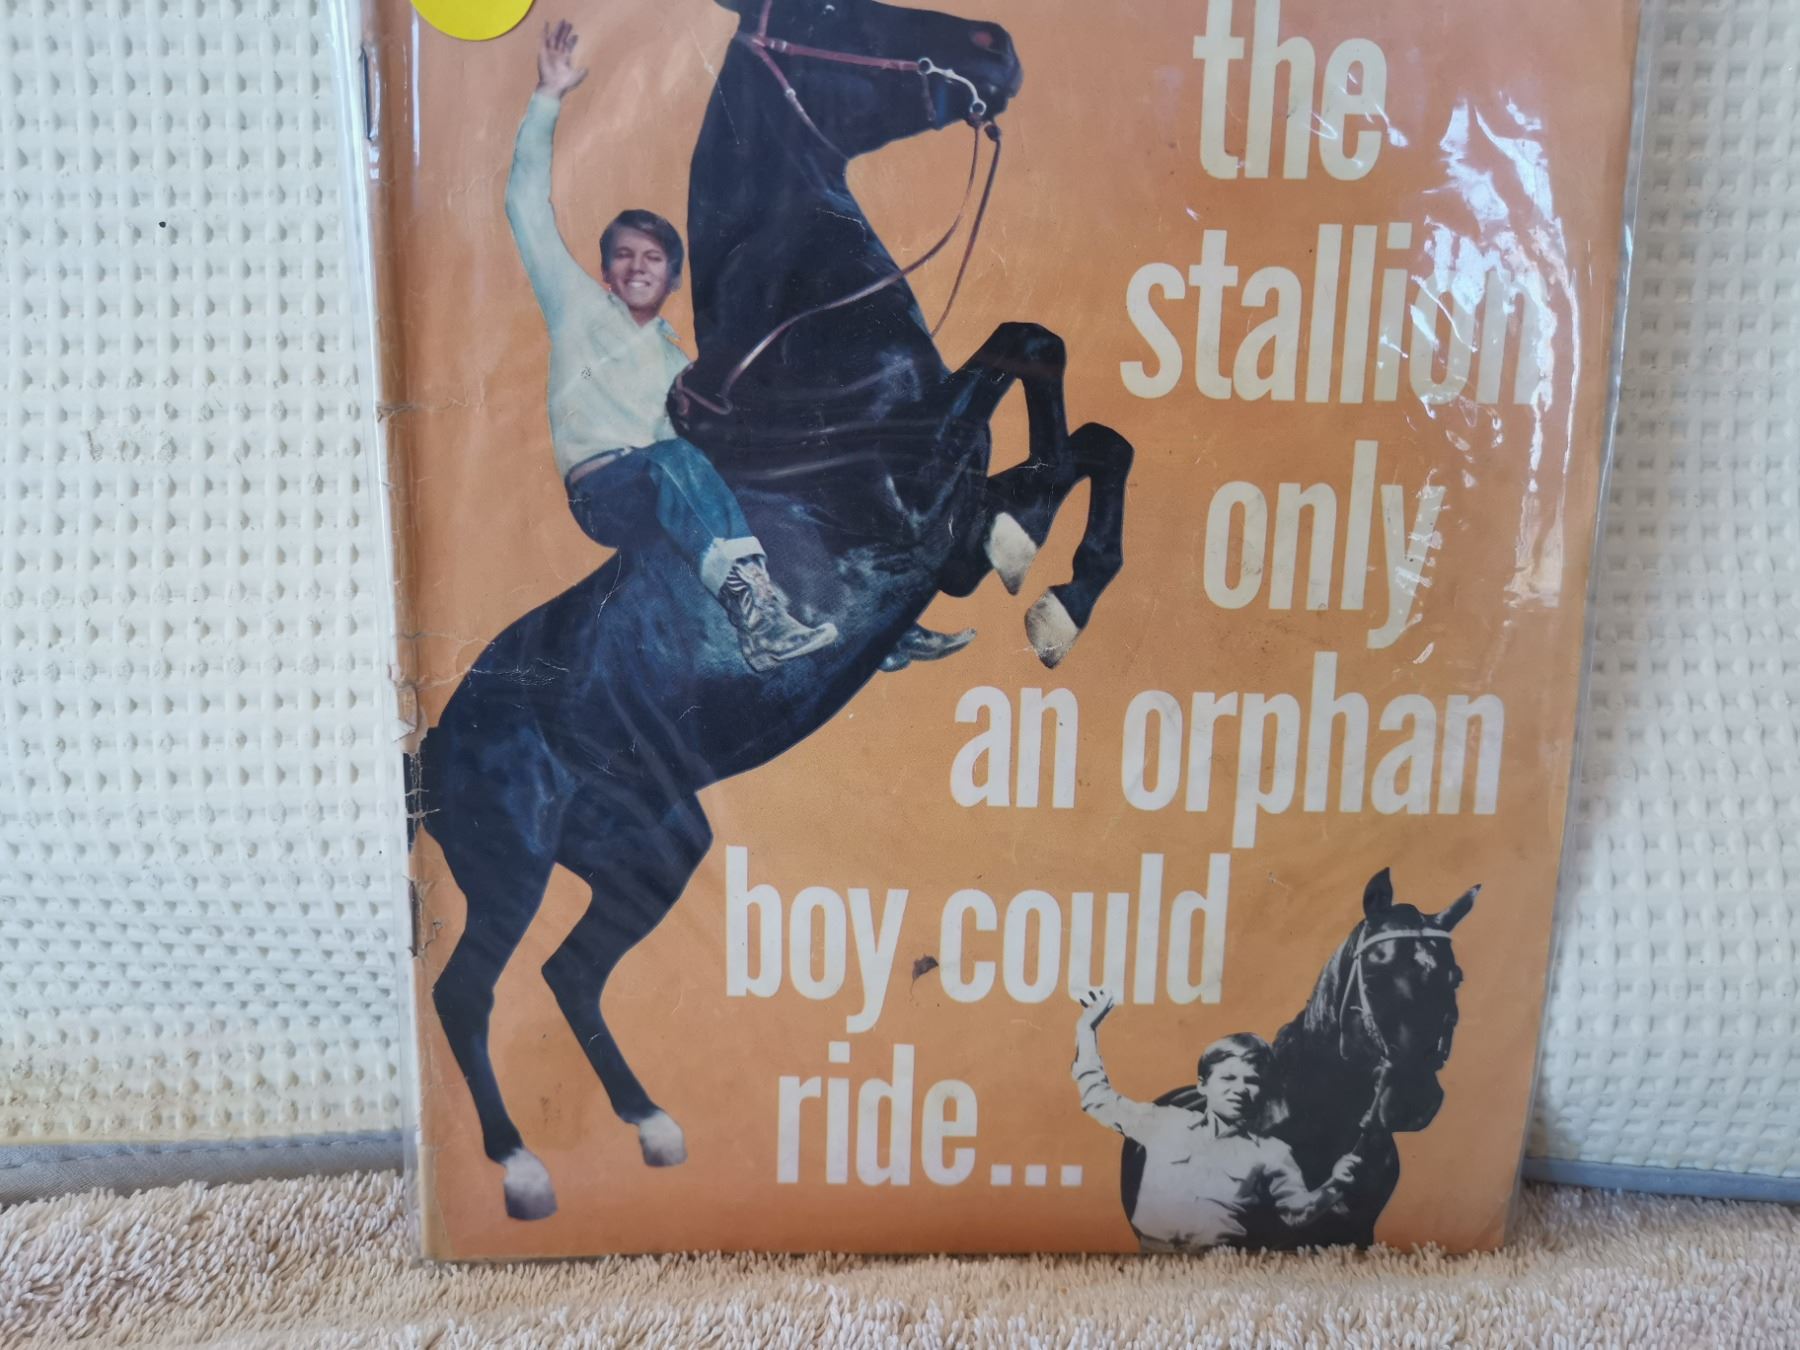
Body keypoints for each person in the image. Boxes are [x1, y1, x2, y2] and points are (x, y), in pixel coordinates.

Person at [508, 20, 970, 674]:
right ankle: (757, 622)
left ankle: (873, 623)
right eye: (624, 256)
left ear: (673, 278)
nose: (638, 267)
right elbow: (525, 206)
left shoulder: (676, 362)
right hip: (606, 490)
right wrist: (548, 97)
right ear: (605, 270)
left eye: (654, 259)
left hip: (669, 488)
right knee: (676, 459)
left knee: (771, 482)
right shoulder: (576, 307)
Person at [1072, 987, 1361, 1252]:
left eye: (1252, 1081)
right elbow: (1097, 1098)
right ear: (1203, 1085)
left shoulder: (1273, 1152)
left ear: (1264, 1091)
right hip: (1152, 1262)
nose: (1240, 1089)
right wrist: (1087, 1028)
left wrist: (1334, 1185)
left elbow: (1296, 1213)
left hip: (1218, 1269)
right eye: (1228, 1078)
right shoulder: (1162, 1122)